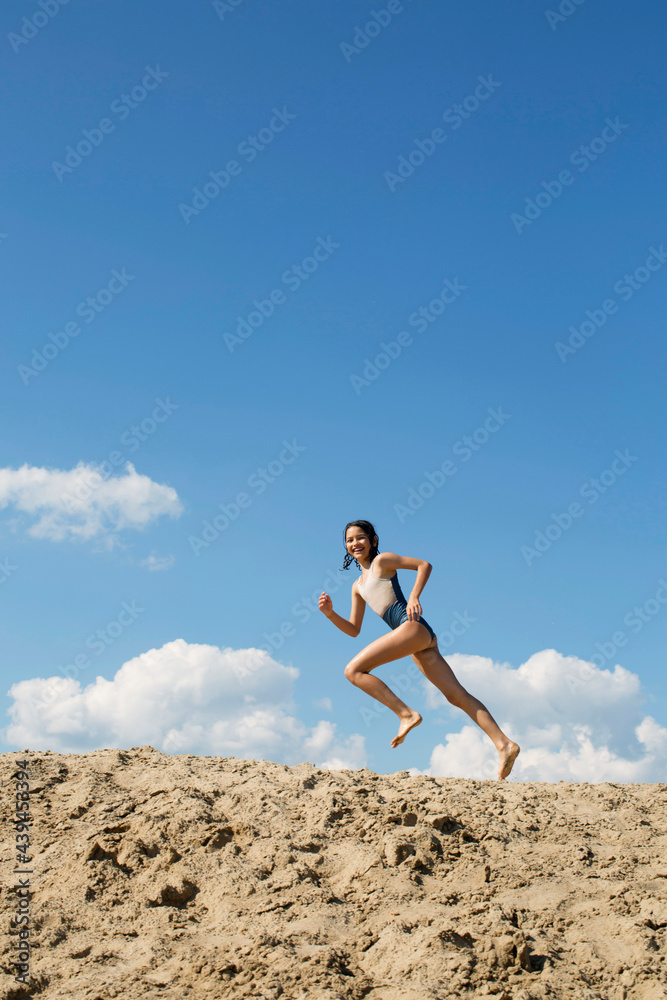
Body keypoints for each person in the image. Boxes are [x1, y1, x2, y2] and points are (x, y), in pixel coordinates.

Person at [318, 519, 520, 780]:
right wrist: (330, 614)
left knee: (353, 670)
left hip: (411, 626)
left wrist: (414, 596)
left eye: (360, 538)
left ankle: (407, 714)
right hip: (418, 640)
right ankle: (504, 744)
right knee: (456, 696)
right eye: (349, 540)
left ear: (373, 541)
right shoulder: (357, 586)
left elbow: (424, 565)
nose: (355, 543)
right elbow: (354, 629)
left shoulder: (383, 562)